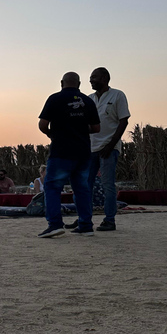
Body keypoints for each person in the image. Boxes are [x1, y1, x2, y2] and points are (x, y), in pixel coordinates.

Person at [66, 67, 130, 232]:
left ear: (104, 78)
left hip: (109, 147)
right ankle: (83, 219)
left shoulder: (117, 95)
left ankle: (109, 220)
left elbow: (123, 121)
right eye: (90, 77)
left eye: (94, 77)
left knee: (107, 184)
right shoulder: (88, 99)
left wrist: (111, 145)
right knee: (84, 185)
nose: (91, 80)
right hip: (89, 148)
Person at [37, 71, 100, 238]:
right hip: (83, 152)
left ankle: (55, 224)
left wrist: (51, 133)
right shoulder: (87, 101)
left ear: (61, 83)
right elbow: (96, 128)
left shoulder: (54, 99)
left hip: (61, 151)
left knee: (52, 187)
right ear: (79, 84)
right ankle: (86, 225)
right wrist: (79, 128)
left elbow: (42, 124)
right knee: (82, 189)